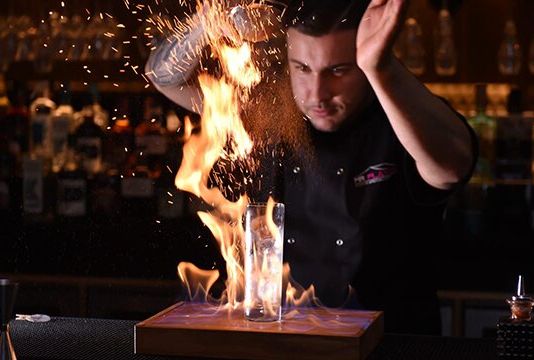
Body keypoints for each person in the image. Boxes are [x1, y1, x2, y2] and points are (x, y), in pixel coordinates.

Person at [146, 0, 477, 335]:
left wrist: (382, 67)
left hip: (393, 343)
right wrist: (210, 22)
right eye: (302, 68)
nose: (318, 94)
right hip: (290, 341)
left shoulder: (403, 118)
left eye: (338, 70)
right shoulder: (271, 112)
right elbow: (164, 77)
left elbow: (452, 168)